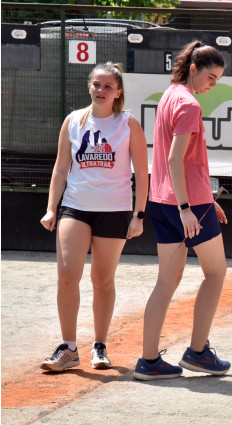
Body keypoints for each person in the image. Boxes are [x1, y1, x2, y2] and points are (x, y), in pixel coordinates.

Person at [40, 62, 148, 371]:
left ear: (118, 92)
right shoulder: (73, 121)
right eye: (96, 85)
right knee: (66, 276)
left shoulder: (128, 124)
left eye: (108, 86)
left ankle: (99, 345)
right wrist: (51, 207)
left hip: (114, 211)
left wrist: (138, 215)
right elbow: (61, 168)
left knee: (102, 280)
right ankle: (69, 348)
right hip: (75, 207)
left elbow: (142, 172)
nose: (101, 90)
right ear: (89, 86)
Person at [133, 41, 231, 381]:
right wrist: (189, 207)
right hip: (185, 205)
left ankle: (148, 361)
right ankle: (198, 353)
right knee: (216, 273)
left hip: (162, 202)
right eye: (211, 77)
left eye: (217, 80)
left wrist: (203, 198)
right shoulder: (189, 104)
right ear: (193, 68)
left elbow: (182, 164)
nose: (212, 85)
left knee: (166, 282)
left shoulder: (170, 95)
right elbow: (176, 159)